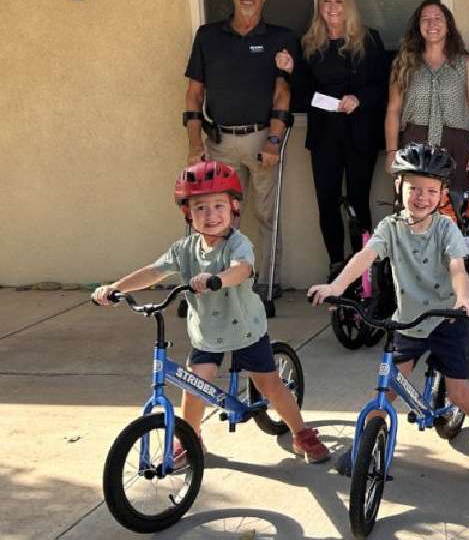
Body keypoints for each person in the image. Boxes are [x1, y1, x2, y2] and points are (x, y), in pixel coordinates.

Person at [92, 161, 329, 465]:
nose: (211, 214)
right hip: (207, 332)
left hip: (245, 329)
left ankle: (301, 433)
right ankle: (190, 439)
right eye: (200, 207)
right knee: (194, 386)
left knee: (270, 385)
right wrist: (117, 287)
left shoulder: (238, 244)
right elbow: (154, 271)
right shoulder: (184, 249)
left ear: (233, 208)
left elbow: (241, 269)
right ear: (187, 213)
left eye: (219, 205)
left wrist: (217, 279)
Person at [307, 143, 469, 484]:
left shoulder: (446, 228)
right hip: (409, 321)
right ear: (398, 187)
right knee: (386, 389)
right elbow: (364, 258)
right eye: (414, 188)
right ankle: (362, 447)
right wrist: (337, 286)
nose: (422, 196)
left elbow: (458, 268)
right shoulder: (390, 227)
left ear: (443, 193)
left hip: (447, 318)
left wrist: (463, 299)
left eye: (432, 190)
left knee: (460, 393)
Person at [183, 0, 298, 301]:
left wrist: (274, 139)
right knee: (216, 215)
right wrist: (194, 144)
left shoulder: (280, 37)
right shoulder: (208, 36)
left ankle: (268, 283)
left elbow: (283, 93)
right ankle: (216, 281)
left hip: (261, 138)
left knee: (266, 214)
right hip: (218, 141)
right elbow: (194, 94)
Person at [300, 0, 388, 279]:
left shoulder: (369, 39)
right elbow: (301, 91)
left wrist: (359, 99)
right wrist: (290, 70)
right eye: (326, 1)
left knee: (358, 201)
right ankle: (336, 263)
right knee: (327, 201)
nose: (332, 7)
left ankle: (360, 267)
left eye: (338, 1)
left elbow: (384, 86)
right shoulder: (310, 43)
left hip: (360, 134)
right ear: (319, 7)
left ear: (348, 5)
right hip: (325, 135)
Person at [386, 0, 469, 198]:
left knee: (456, 213)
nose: (432, 24)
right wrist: (391, 152)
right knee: (414, 213)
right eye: (425, 19)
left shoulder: (465, 64)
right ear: (418, 26)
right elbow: (393, 110)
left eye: (437, 18)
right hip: (415, 145)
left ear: (448, 26)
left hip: (456, 147)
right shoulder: (404, 63)